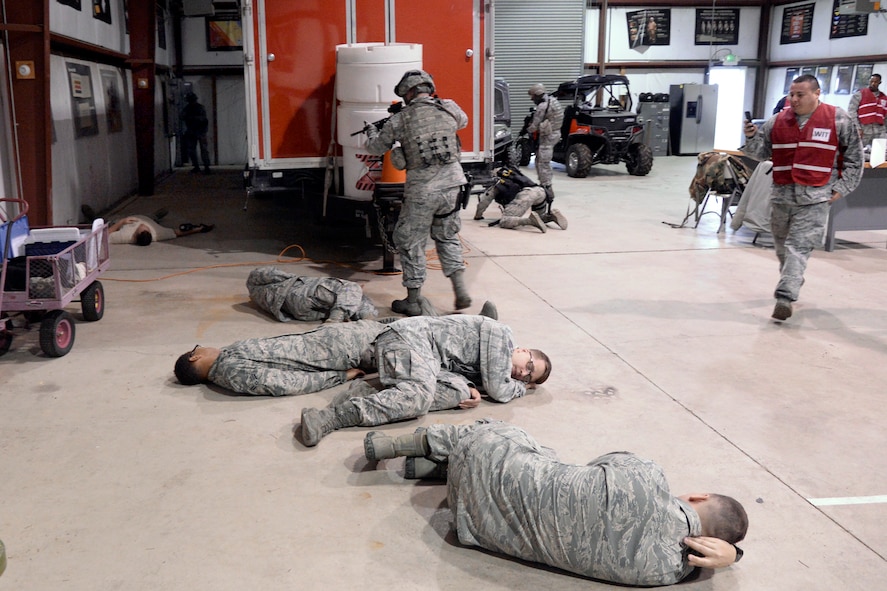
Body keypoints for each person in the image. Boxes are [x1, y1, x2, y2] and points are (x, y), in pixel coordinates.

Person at [363, 419, 747, 587]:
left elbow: (600, 460)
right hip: (473, 528)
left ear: (699, 496)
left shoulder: (647, 476)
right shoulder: (666, 573)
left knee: (511, 437)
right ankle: (431, 466)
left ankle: (412, 444)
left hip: (480, 462)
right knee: (542, 460)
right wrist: (735, 556)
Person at [298, 315, 551, 447]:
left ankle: (366, 392)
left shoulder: (491, 364)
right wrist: (521, 388)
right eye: (529, 365)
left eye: (530, 376)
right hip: (409, 339)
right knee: (417, 398)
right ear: (523, 350)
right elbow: (499, 390)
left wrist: (471, 386)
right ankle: (330, 418)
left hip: (426, 358)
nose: (522, 373)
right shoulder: (502, 335)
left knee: (457, 393)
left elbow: (457, 369)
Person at [173, 305, 500, 396]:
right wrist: (338, 376)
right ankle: (479, 362)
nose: (204, 344)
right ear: (195, 357)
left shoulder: (230, 360)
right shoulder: (231, 372)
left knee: (410, 328)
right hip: (338, 351)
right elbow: (281, 383)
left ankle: (468, 329)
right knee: (412, 343)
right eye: (198, 347)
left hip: (332, 341)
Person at [742, 74, 863, 321]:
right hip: (782, 195)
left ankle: (785, 297)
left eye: (800, 95)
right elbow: (759, 154)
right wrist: (752, 136)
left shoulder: (838, 119)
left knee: (798, 247)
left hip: (817, 196)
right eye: (791, 94)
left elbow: (855, 159)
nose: (794, 99)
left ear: (817, 94)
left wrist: (841, 188)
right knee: (783, 249)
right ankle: (794, 277)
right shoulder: (777, 121)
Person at [364, 69, 472, 317]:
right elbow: (462, 121)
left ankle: (413, 301)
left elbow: (376, 147)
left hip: (423, 191)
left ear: (409, 92)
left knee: (410, 241)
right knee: (447, 236)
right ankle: (460, 290)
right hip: (453, 185)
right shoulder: (448, 107)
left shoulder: (400, 120)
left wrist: (371, 131)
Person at [246, 267, 377, 323]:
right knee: (351, 287)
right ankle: (337, 320)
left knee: (353, 296)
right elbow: (272, 274)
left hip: (297, 309)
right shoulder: (256, 281)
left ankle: (366, 321)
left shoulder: (259, 293)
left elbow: (269, 274)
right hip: (300, 297)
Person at [474, 165, 568, 232]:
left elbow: (484, 201)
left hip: (525, 195)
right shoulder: (513, 174)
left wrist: (478, 215)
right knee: (540, 217)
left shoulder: (498, 182)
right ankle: (551, 216)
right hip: (540, 192)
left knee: (505, 221)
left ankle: (530, 221)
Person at [526, 83, 564, 202]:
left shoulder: (543, 106)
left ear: (538, 94)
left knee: (543, 162)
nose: (532, 99)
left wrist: (527, 129)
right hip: (555, 133)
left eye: (533, 96)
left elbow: (535, 125)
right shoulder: (553, 101)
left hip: (548, 136)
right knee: (541, 160)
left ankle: (547, 187)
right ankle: (545, 184)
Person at [108, 215, 214, 246]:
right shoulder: (158, 233)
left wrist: (121, 222)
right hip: (148, 218)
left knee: (109, 222)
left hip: (121, 219)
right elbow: (177, 233)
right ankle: (156, 218)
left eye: (142, 228)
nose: (143, 226)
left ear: (135, 235)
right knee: (155, 219)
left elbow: (104, 235)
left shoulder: (125, 236)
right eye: (146, 228)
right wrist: (199, 229)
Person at [847, 73, 886, 149]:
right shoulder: (859, 95)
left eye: (876, 82)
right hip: (864, 131)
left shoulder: (884, 98)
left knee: (879, 154)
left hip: (879, 132)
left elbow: (885, 116)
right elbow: (851, 112)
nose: (873, 84)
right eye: (871, 81)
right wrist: (857, 128)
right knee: (861, 153)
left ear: (879, 83)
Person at [181, 92, 211, 174]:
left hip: (199, 131)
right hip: (194, 131)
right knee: (194, 150)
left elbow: (203, 119)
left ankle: (205, 167)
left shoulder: (198, 108)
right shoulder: (188, 108)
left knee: (202, 150)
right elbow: (182, 117)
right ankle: (200, 167)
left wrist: (192, 119)